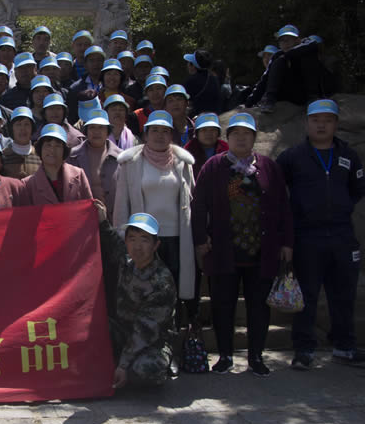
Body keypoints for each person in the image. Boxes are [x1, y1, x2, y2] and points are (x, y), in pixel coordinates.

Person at [192, 112, 293, 376]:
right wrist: (200, 238)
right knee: (222, 304)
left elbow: (283, 206)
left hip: (262, 250)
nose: (241, 138)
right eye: (235, 133)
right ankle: (225, 355)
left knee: (258, 306)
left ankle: (256, 356)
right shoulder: (213, 166)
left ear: (254, 138)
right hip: (223, 249)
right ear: (228, 138)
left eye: (246, 134)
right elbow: (199, 204)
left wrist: (286, 242)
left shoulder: (268, 167)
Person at [276, 100, 365, 369]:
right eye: (316, 120)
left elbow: (356, 190)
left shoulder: (349, 156)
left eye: (327, 120)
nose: (321, 125)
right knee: (307, 294)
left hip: (341, 234)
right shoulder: (292, 157)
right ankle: (304, 349)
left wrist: (340, 207)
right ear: (307, 123)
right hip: (307, 235)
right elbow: (277, 192)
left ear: (336, 124)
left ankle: (344, 346)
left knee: (344, 293)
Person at [114, 111, 196, 320]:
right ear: (146, 134)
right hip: (144, 238)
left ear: (171, 135)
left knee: (174, 286)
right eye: (155, 130)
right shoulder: (131, 162)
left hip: (176, 237)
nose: (160, 135)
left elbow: (191, 199)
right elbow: (122, 203)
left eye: (165, 131)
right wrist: (123, 238)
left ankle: (176, 330)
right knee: (146, 287)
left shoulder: (183, 162)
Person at [100, 212, 177, 389]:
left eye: (144, 240)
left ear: (156, 245)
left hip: (152, 341)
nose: (137, 246)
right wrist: (102, 219)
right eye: (132, 239)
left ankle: (124, 371)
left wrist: (122, 365)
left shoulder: (161, 282)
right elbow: (112, 241)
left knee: (145, 370)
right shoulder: (127, 261)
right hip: (123, 332)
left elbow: (145, 331)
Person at [246, 24, 325, 112]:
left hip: (304, 91)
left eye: (288, 40)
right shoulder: (278, 56)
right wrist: (248, 103)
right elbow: (264, 80)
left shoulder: (307, 47)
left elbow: (312, 45)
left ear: (297, 40)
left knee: (306, 57)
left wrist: (287, 55)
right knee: (279, 61)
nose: (285, 43)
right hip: (287, 93)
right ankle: (270, 101)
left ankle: (312, 97)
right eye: (282, 40)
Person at [67, 108, 121, 222]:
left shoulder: (122, 158)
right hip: (81, 219)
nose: (96, 132)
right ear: (86, 131)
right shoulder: (72, 156)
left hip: (114, 220)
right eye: (92, 127)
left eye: (101, 127)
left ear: (108, 131)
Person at [23, 123, 92, 205]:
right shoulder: (28, 184)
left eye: (57, 146)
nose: (52, 150)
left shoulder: (79, 174)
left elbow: (88, 206)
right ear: (40, 149)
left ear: (64, 150)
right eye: (48, 145)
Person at [66, 45, 105, 124]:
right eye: (92, 60)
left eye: (99, 60)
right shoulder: (75, 88)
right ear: (85, 65)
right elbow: (72, 116)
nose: (96, 64)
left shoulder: (111, 84)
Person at [2, 107, 41, 180]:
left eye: (26, 124)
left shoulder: (40, 155)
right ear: (12, 128)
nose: (22, 128)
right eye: (18, 124)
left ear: (32, 128)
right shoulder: (3, 156)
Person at [184, 113, 229, 177]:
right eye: (204, 130)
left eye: (213, 130)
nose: (208, 134)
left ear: (218, 133)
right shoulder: (188, 151)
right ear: (197, 133)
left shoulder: (226, 149)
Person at [183, 50, 220, 116]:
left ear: (193, 66)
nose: (187, 65)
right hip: (213, 117)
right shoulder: (214, 79)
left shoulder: (190, 81)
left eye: (189, 63)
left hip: (196, 118)